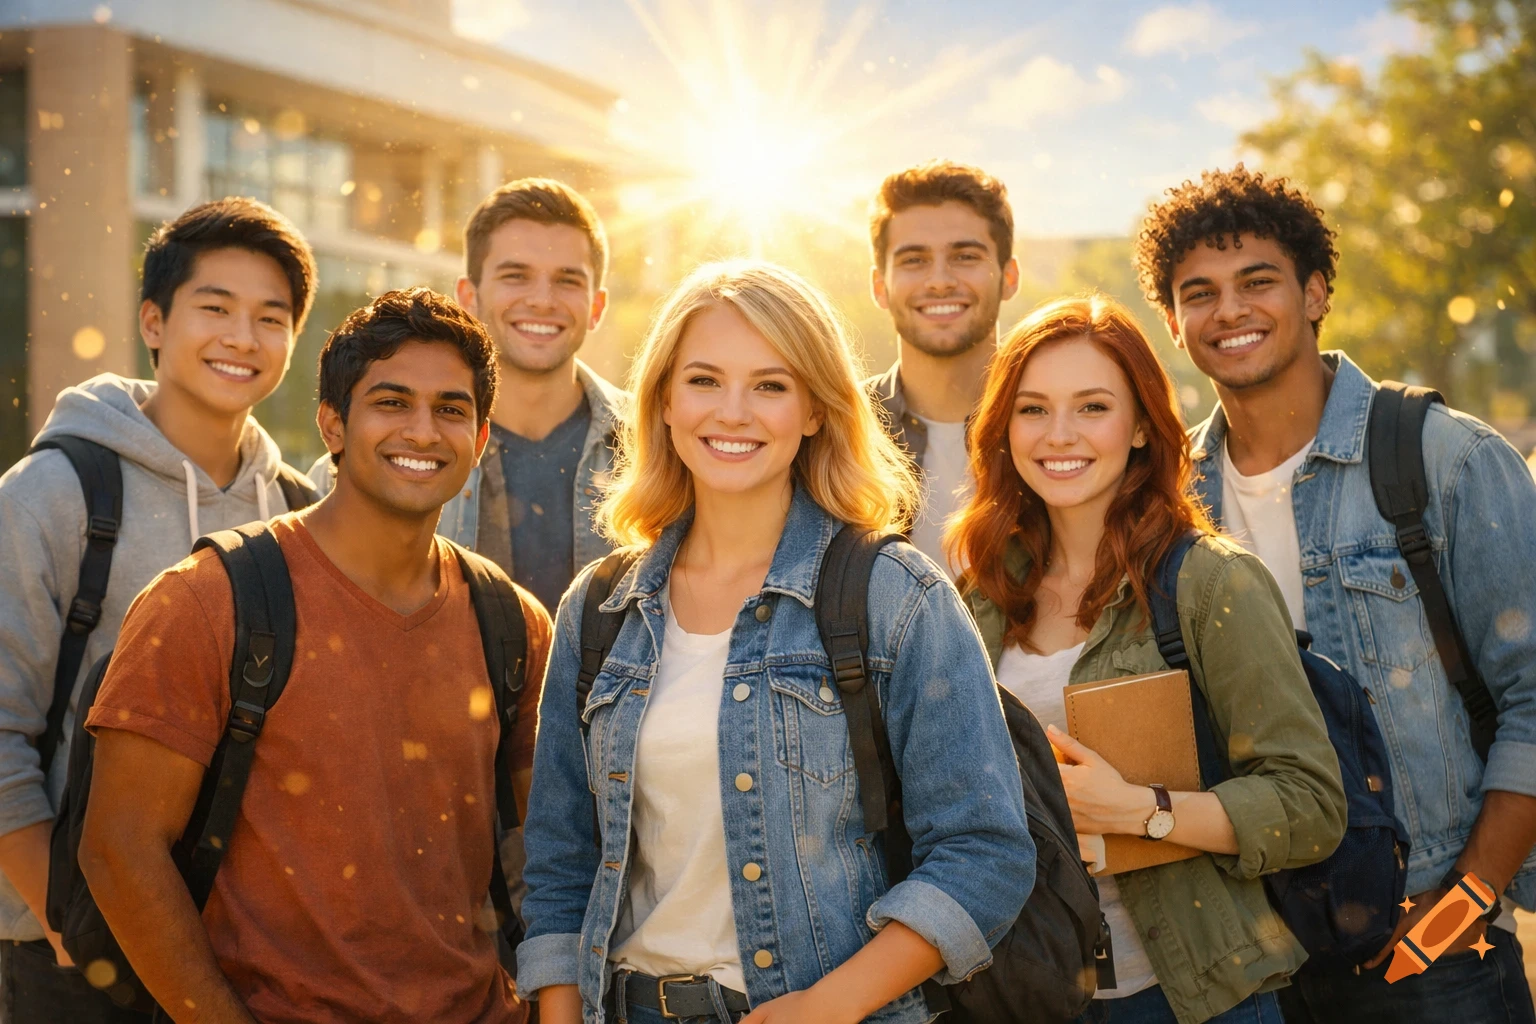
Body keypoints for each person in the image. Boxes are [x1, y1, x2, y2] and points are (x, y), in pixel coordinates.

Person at [517, 260, 1033, 1024]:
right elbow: (561, 866)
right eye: (702, 381)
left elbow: (984, 851)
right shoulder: (600, 606)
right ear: (662, 400)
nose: (733, 412)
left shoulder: (893, 594)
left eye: (770, 385)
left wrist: (827, 1008)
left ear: (816, 410)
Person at [78, 288, 551, 1023]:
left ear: (482, 434)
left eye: (451, 409)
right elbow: (119, 850)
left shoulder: (512, 623)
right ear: (332, 423)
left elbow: (556, 852)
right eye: (390, 402)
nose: (423, 431)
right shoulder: (208, 602)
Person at [1135, 166, 1536, 1023]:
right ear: (1172, 323)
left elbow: (1534, 694)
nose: (1229, 310)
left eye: (1258, 281)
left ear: (1315, 292)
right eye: (1197, 292)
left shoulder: (1442, 460)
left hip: (1432, 959)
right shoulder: (1168, 503)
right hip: (1258, 967)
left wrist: (1465, 903)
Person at [948, 294, 1346, 1023]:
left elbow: (1311, 804)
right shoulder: (977, 595)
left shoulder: (1211, 582)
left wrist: (1140, 812)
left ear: (1139, 427)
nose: (1059, 434)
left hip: (1189, 995)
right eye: (1033, 409)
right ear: (1003, 428)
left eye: (1092, 407)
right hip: (1025, 991)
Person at [0, 197, 317, 1022]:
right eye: (214, 308)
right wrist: (63, 918)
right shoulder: (55, 493)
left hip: (245, 954)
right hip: (70, 955)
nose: (242, 338)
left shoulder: (297, 513)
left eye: (270, 317)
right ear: (154, 319)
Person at [308, 177, 628, 614]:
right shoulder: (362, 465)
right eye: (516, 276)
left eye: (567, 281)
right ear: (468, 297)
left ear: (596, 306)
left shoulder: (655, 446)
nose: (541, 300)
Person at [865, 160, 1020, 574]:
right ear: (880, 286)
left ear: (1009, 276)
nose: (939, 280)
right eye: (914, 260)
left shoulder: (1058, 429)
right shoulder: (837, 429)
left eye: (965, 256)